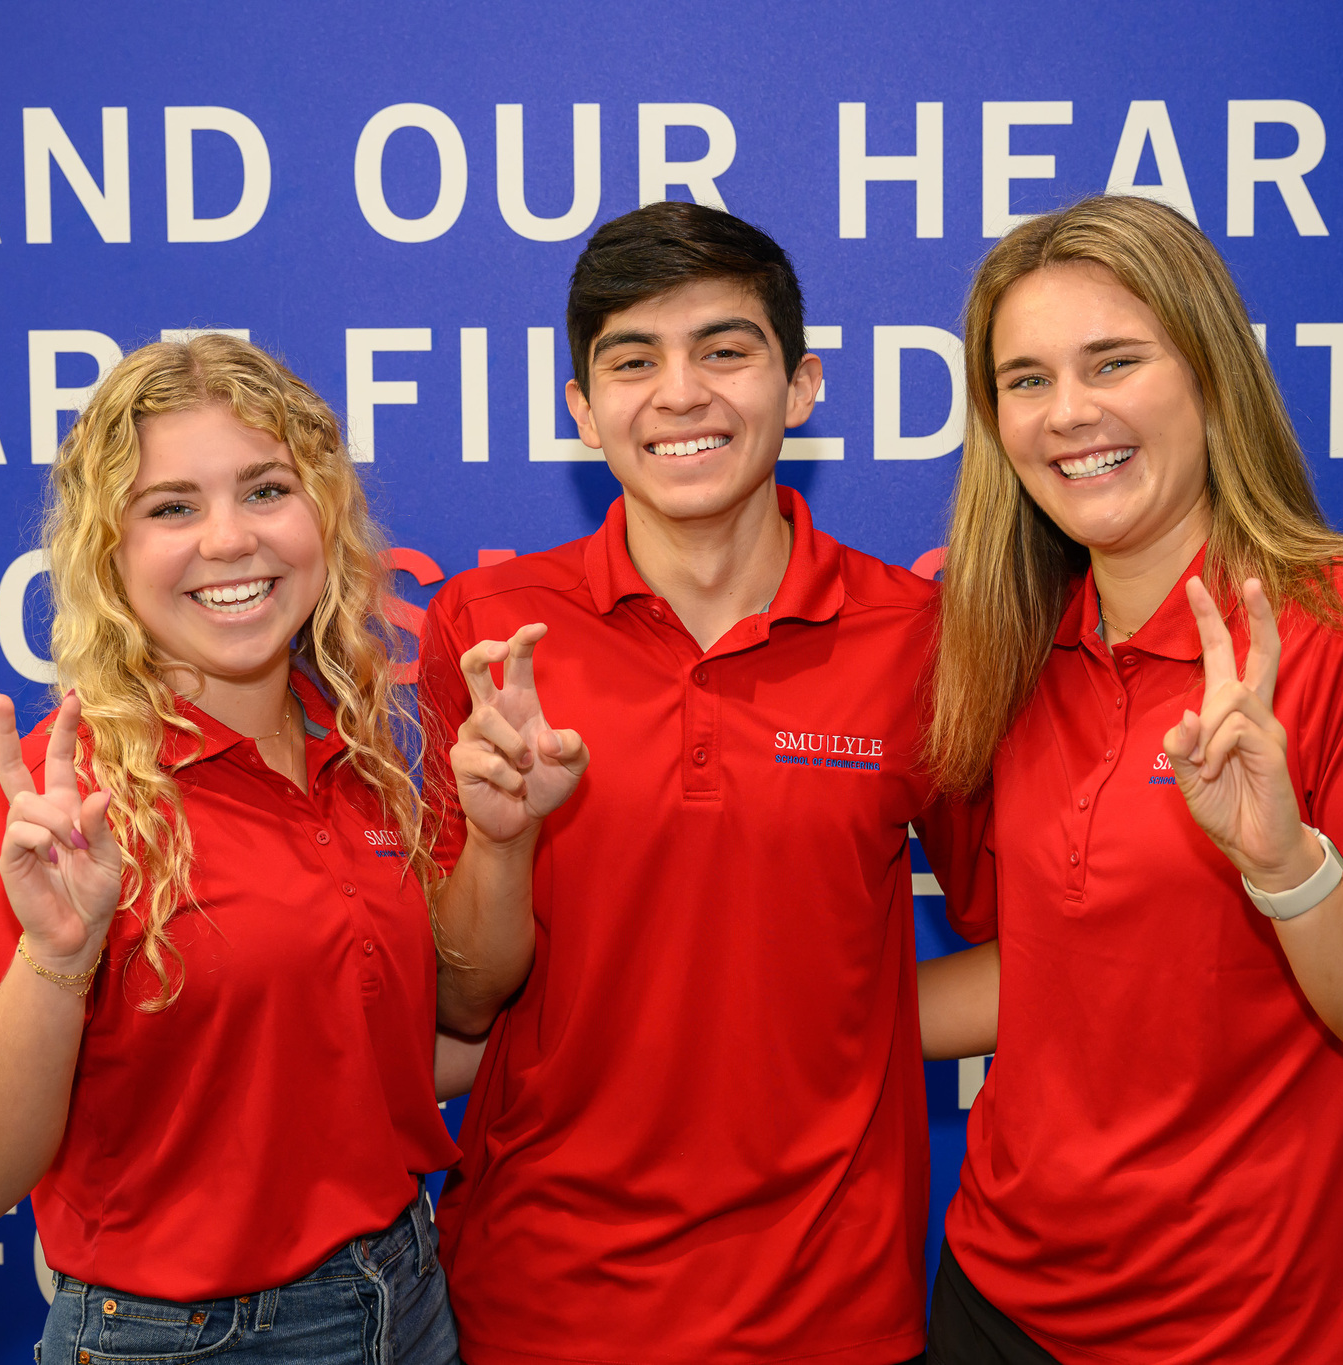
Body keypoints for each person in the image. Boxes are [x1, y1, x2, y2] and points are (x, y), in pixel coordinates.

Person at [0, 334, 585, 1364]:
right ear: (106, 552)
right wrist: (58, 962)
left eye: (265, 490)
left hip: (408, 1294)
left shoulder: (354, 752)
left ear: (325, 517)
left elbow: (409, 1035)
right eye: (171, 507)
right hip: (192, 1340)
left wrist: (501, 842)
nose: (228, 540)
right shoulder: (55, 803)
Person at [917, 195, 1343, 1364]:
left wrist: (1286, 867)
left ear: (1211, 374)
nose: (1068, 412)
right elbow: (1049, 972)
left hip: (1254, 1333)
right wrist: (706, 1034)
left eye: (1113, 361)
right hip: (994, 1303)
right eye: (1024, 380)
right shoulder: (1004, 650)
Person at [416, 201, 988, 1365]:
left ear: (801, 385)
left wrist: (836, 1025)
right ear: (582, 409)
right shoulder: (487, 629)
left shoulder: (920, 637)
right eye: (633, 360)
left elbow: (1038, 950)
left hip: (830, 1313)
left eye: (725, 350)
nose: (680, 393)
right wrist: (502, 841)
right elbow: (463, 1000)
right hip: (541, 1302)